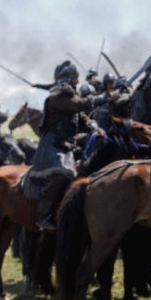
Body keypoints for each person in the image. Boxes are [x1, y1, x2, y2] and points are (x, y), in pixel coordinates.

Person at [29, 60, 113, 231]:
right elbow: (79, 105)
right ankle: (43, 216)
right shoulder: (58, 97)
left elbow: (80, 116)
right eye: (75, 77)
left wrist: (94, 128)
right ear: (68, 78)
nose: (77, 80)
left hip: (66, 144)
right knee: (62, 173)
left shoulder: (67, 96)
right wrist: (104, 97)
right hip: (52, 145)